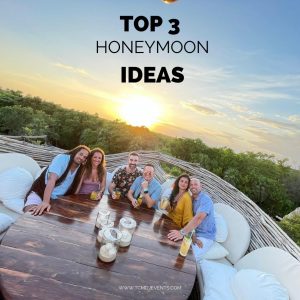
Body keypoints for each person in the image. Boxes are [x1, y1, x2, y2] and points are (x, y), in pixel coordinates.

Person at [23, 145, 90, 215]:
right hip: (40, 193)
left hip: (58, 199)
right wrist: (46, 201)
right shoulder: (62, 159)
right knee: (30, 213)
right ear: (75, 152)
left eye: (85, 157)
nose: (82, 157)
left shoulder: (80, 169)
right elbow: (51, 179)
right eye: (81, 154)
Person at [167, 178, 216, 261]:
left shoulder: (205, 200)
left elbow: (198, 218)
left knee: (188, 259)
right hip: (192, 232)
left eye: (196, 184)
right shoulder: (190, 199)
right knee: (173, 247)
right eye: (191, 184)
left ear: (201, 186)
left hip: (204, 236)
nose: (193, 186)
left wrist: (182, 232)